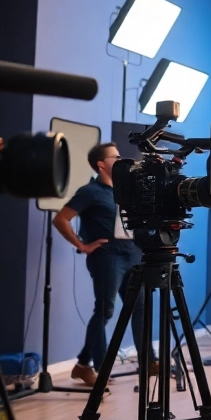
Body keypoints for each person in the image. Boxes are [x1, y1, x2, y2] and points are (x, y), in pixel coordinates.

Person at [55, 142, 146, 387]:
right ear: (101, 164)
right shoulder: (90, 192)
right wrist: (82, 245)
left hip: (133, 253)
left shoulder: (126, 191)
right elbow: (61, 219)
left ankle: (146, 362)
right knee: (105, 310)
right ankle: (98, 368)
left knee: (140, 308)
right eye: (115, 157)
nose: (121, 159)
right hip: (108, 257)